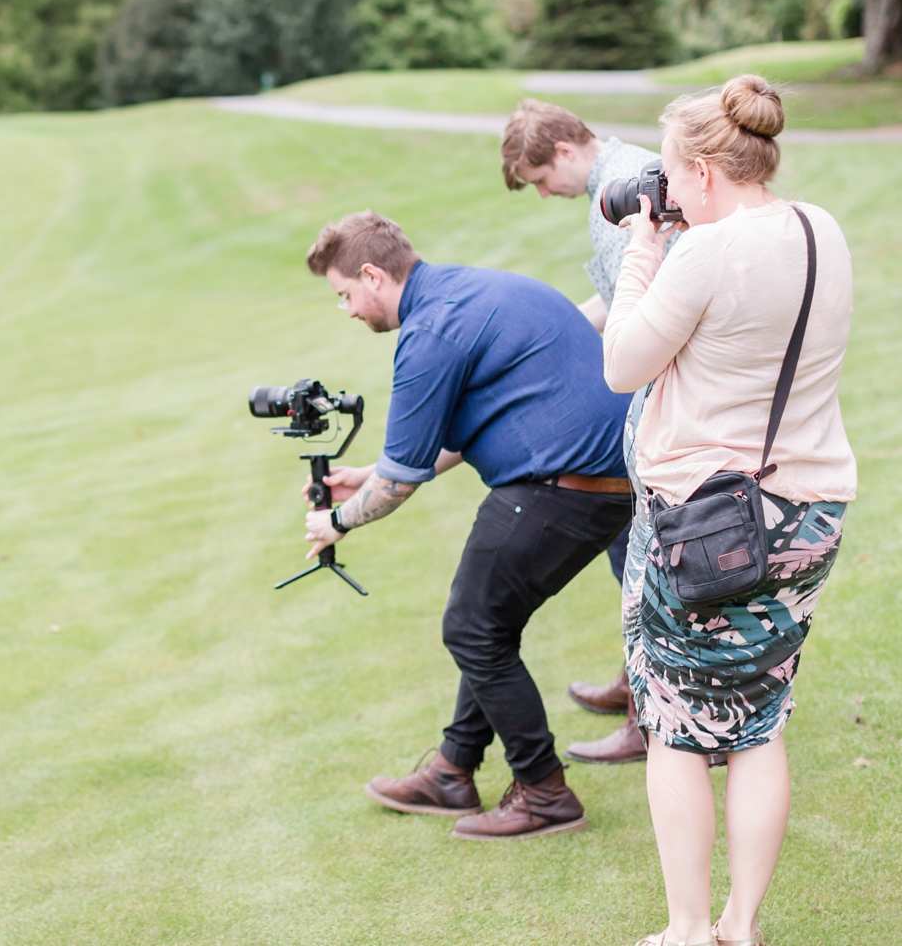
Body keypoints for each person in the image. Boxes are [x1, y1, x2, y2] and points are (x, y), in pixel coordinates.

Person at [605, 76, 855, 946]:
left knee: (676, 728)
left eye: (672, 179)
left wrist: (645, 247)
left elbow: (623, 364)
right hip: (810, 511)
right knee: (760, 721)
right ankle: (740, 925)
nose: (666, 196)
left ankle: (684, 929)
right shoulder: (821, 228)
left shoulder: (704, 254)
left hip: (708, 527)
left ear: (706, 172)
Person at [301, 210, 633, 840]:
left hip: (565, 489)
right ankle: (453, 771)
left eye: (345, 294)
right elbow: (420, 455)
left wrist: (337, 520)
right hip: (604, 483)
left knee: (473, 627)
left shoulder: (429, 334)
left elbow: (399, 486)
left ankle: (542, 792)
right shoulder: (471, 291)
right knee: (490, 623)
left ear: (372, 275)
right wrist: (368, 471)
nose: (346, 310)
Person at [501, 99, 681, 766]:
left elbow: (650, 302)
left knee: (646, 559)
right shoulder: (632, 172)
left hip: (668, 405)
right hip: (664, 398)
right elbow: (617, 294)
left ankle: (652, 713)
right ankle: (637, 682)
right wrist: (554, 337)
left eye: (541, 178)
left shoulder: (617, 196)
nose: (545, 193)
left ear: (565, 152)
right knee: (625, 546)